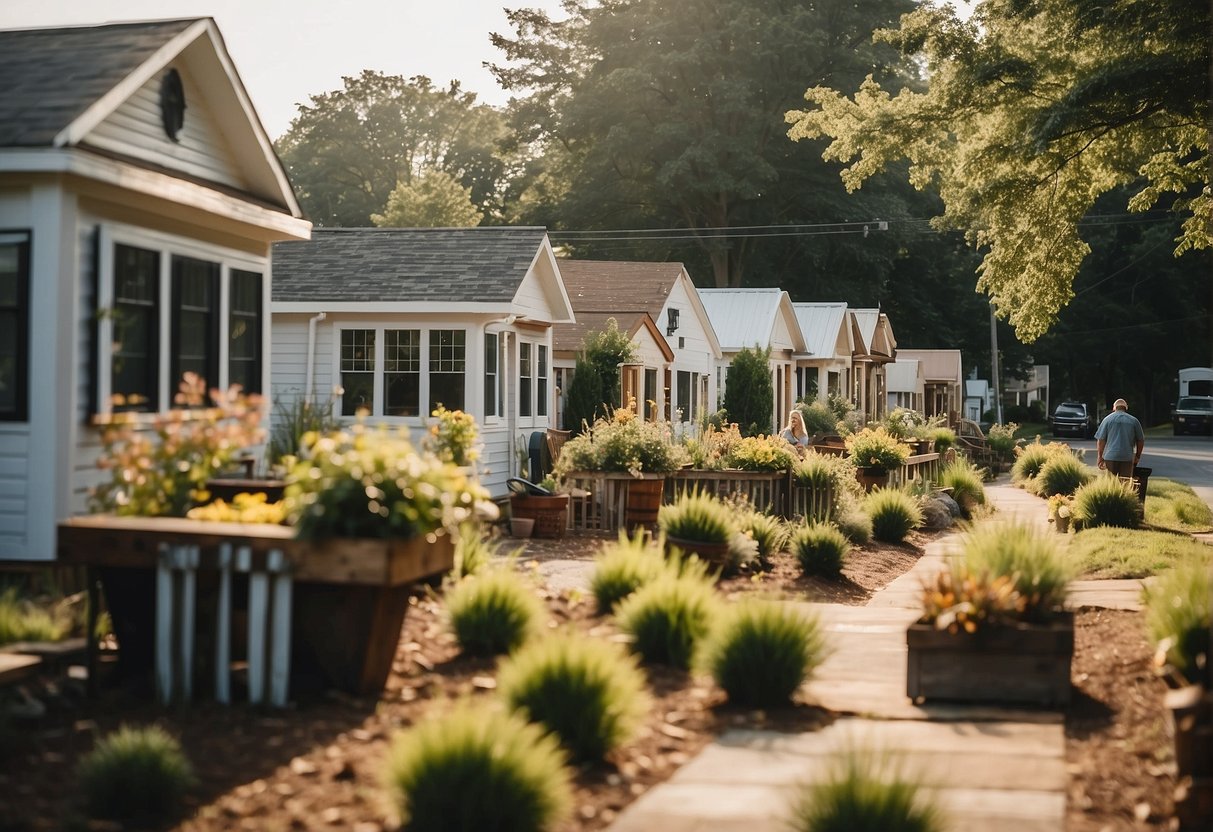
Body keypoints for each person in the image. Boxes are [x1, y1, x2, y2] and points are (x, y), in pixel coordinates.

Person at [1094, 398, 1144, 478]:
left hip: (1110, 457)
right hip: (1127, 457)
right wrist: (1137, 456)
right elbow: (1140, 440)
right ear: (1126, 408)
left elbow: (1101, 440)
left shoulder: (1107, 420)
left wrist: (1100, 456)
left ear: (1114, 408)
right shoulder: (1134, 421)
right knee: (1125, 483)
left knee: (1110, 484)